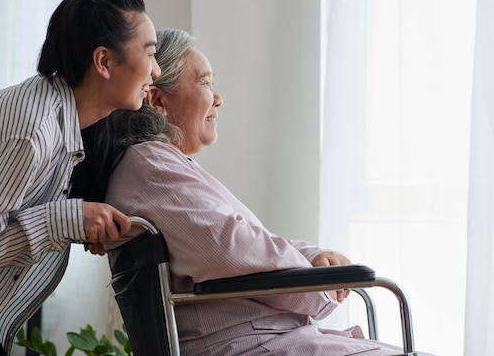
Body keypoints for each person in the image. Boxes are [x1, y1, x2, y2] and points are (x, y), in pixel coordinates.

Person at [77, 29, 431, 355]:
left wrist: (314, 257)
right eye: (205, 82)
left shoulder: (160, 166)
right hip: (251, 345)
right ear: (157, 100)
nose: (218, 98)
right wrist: (319, 278)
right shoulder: (152, 167)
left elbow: (246, 242)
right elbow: (231, 248)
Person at [0, 0, 161, 356]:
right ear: (104, 62)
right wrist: (65, 220)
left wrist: (81, 221)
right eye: (149, 54)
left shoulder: (73, 123)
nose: (154, 70)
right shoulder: (28, 132)